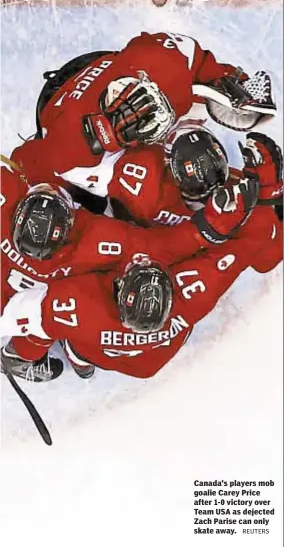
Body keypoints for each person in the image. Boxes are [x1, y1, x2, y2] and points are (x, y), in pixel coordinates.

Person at [1, 131, 282, 381]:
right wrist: (217, 224)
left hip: (38, 302)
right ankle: (78, 355)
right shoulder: (192, 295)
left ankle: (77, 354)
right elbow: (165, 249)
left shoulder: (76, 301)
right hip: (146, 362)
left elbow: (35, 317)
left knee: (34, 159)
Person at [10, 32, 276, 202]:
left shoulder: (164, 70)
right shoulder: (76, 157)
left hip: (86, 93)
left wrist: (223, 80)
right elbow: (29, 165)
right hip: (67, 111)